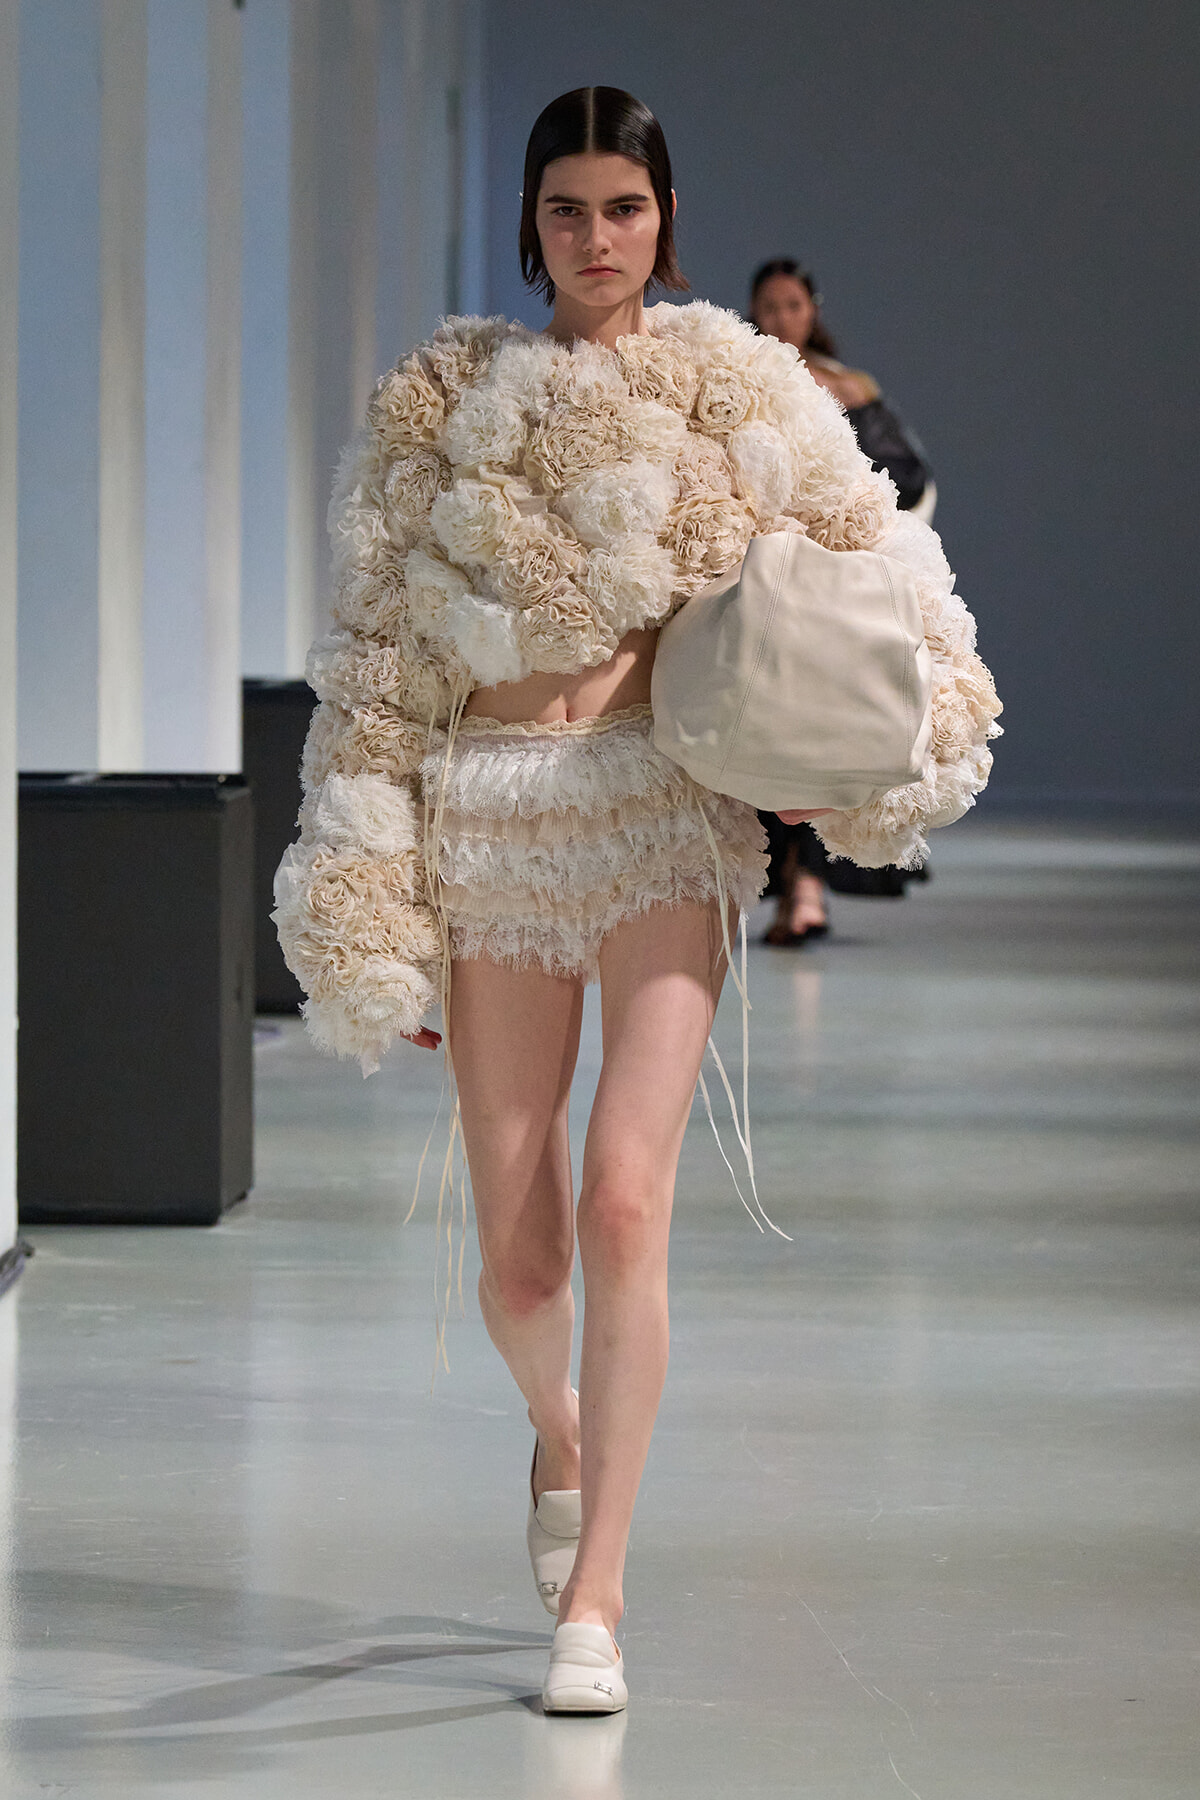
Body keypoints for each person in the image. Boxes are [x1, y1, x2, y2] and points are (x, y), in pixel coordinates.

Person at [273, 87, 999, 1714]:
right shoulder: (439, 399)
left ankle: (597, 1593)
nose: (596, 238)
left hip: (661, 820)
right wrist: (368, 899)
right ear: (527, 222)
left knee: (623, 1204)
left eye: (625, 207)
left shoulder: (734, 382)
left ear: (667, 216)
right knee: (520, 1267)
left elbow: (880, 566)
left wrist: (887, 752)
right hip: (487, 823)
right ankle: (561, 1437)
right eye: (567, 208)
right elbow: (373, 663)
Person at [749, 258, 936, 944]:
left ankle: (809, 883)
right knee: (768, 726)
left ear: (813, 309)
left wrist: (842, 508)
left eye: (792, 305)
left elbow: (906, 476)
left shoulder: (850, 388)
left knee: (826, 726)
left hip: (838, 583)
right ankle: (784, 883)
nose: (780, 318)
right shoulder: (745, 381)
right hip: (767, 579)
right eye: (769, 306)